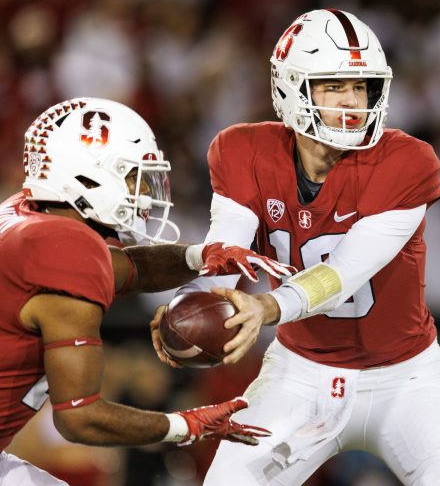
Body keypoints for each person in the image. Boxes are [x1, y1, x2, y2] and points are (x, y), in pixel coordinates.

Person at [153, 9, 440, 485]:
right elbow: (226, 246)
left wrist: (267, 307)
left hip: (405, 377)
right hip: (301, 375)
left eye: (361, 87)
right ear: (291, 87)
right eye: (335, 86)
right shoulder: (242, 150)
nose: (352, 101)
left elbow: (344, 274)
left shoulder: (406, 161)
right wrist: (188, 308)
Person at [0, 97, 282, 485]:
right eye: (132, 176)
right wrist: (186, 426)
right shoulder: (63, 251)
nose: (144, 193)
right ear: (86, 176)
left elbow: (128, 270)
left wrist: (203, 256)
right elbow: (78, 416)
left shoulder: (29, 215)